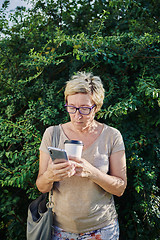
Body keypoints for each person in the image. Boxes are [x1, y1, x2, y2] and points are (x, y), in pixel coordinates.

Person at [36, 72, 127, 240]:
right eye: (72, 107)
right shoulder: (52, 134)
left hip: (102, 230)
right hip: (59, 230)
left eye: (85, 109)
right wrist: (49, 175)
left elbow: (120, 188)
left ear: (97, 106)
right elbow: (42, 186)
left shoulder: (112, 136)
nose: (77, 115)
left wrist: (93, 173)